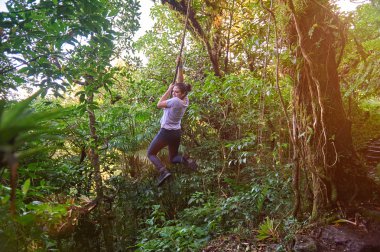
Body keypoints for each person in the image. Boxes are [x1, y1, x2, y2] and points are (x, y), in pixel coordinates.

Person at [147, 57, 197, 186]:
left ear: (182, 93)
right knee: (173, 158)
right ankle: (186, 160)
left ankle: (163, 172)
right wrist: (179, 66)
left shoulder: (174, 101)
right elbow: (181, 83)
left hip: (166, 132)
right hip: (176, 133)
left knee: (151, 153)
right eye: (174, 91)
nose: (174, 93)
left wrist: (169, 90)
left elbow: (158, 104)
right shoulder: (185, 100)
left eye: (176, 92)